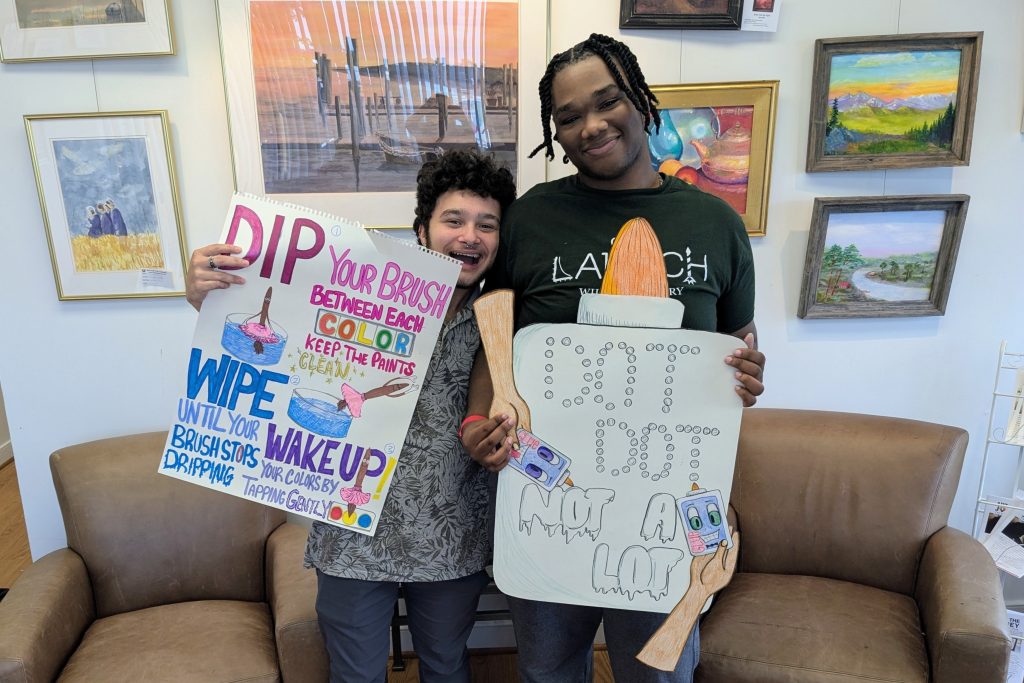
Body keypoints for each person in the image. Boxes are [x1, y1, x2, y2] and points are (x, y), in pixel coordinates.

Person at [460, 34, 766, 683]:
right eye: (569, 116)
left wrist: (748, 373)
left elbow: (739, 341)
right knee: (547, 669)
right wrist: (476, 421)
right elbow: (496, 336)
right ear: (555, 132)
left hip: (666, 506)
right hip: (548, 500)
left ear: (640, 100)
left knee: (658, 671)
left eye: (607, 102)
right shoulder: (533, 217)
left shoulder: (716, 223)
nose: (591, 125)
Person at [184, 150, 516, 683]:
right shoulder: (354, 296)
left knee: (447, 669)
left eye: (486, 224)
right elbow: (278, 335)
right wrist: (206, 298)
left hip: (451, 538)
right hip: (350, 535)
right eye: (453, 220)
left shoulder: (500, 317)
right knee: (355, 676)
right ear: (423, 229)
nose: (469, 236)